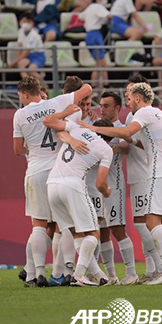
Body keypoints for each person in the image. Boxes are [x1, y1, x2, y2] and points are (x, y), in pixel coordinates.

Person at [79, 82, 162, 285]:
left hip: (158, 171)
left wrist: (92, 127)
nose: (128, 103)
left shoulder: (142, 113)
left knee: (151, 221)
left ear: (137, 98)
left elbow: (126, 132)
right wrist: (132, 142)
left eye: (129, 98)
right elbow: (143, 141)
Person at [12, 76, 92, 287]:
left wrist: (32, 149)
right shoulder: (56, 103)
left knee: (39, 224)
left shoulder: (20, 114)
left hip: (36, 170)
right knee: (63, 223)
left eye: (20, 96)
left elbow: (18, 150)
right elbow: (87, 88)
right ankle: (67, 271)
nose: (20, 100)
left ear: (26, 94)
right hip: (58, 171)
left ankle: (37, 273)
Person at [43, 112, 114, 287]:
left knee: (77, 233)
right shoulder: (106, 149)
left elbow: (51, 123)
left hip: (52, 184)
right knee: (94, 233)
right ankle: (79, 275)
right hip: (73, 185)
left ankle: (98, 275)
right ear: (110, 138)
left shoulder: (77, 127)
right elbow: (100, 183)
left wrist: (67, 120)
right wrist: (106, 192)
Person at [94, 92, 139, 285]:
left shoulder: (122, 128)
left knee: (117, 229)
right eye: (101, 105)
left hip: (114, 184)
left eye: (107, 106)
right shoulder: (96, 126)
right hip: (97, 185)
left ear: (117, 108)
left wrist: (121, 148)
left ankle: (131, 273)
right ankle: (111, 276)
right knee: (101, 231)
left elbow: (127, 146)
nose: (102, 109)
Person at [121, 75, 162, 283]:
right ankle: (152, 269)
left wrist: (125, 137)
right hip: (138, 173)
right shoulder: (133, 115)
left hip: (145, 173)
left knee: (142, 224)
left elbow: (141, 143)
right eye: (127, 91)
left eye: (131, 91)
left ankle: (161, 266)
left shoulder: (140, 115)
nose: (128, 95)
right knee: (145, 224)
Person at [79, 0, 111, 87]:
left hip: (89, 35)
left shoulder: (89, 7)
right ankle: (97, 86)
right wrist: (108, 23)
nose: (105, 0)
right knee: (100, 62)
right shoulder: (98, 7)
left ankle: (103, 84)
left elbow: (80, 17)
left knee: (100, 62)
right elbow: (109, 16)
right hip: (95, 34)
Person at [10, 12, 45, 80]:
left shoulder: (34, 35)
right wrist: (18, 60)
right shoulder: (20, 31)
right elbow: (19, 46)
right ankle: (28, 85)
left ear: (33, 24)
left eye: (29, 22)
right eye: (24, 21)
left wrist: (13, 63)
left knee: (31, 70)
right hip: (28, 56)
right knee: (21, 64)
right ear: (20, 22)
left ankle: (45, 86)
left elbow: (26, 52)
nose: (26, 24)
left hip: (38, 55)